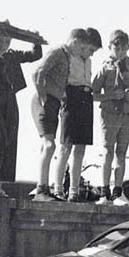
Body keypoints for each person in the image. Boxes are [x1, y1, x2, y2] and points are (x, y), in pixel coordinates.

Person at [30, 28, 94, 202]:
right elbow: (37, 73)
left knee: (48, 146)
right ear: (75, 42)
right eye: (81, 48)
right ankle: (41, 189)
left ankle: (43, 189)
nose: (81, 52)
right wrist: (43, 96)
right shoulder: (59, 52)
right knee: (50, 145)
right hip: (46, 101)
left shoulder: (66, 56)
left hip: (55, 102)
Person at [0, 32, 42, 185]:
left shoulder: (11, 55)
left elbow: (34, 55)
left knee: (10, 139)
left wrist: (35, 40)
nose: (2, 45)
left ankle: (4, 181)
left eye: (7, 42)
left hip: (9, 99)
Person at [91, 29, 129, 206]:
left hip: (128, 115)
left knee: (122, 153)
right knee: (108, 152)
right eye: (116, 48)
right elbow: (93, 94)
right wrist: (112, 95)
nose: (120, 51)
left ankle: (117, 193)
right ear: (110, 47)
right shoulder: (104, 69)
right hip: (109, 115)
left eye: (123, 48)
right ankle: (104, 193)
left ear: (128, 48)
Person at [51, 27, 101, 202]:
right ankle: (57, 187)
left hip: (86, 99)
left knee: (81, 148)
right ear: (84, 44)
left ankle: (74, 191)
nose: (92, 54)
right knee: (66, 146)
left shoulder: (88, 61)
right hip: (72, 97)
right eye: (91, 50)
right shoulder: (69, 56)